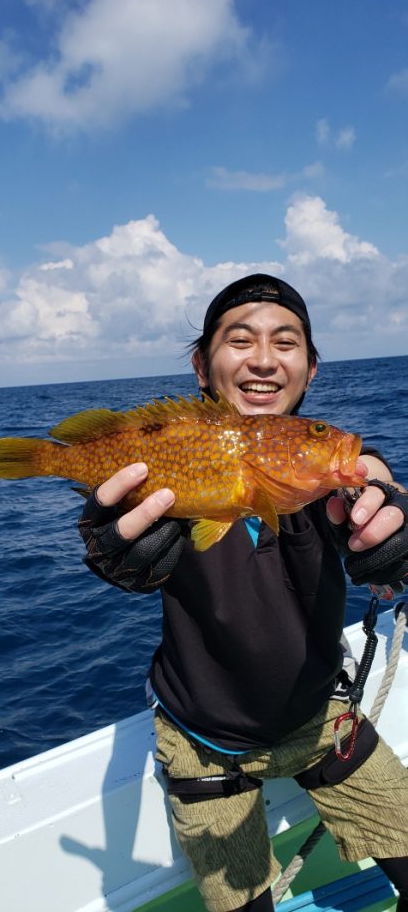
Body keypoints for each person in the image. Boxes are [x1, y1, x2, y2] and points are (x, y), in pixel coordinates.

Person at [78, 274, 408, 912]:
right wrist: (112, 552)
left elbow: (372, 482)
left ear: (310, 369)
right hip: (200, 738)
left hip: (321, 719)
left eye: (286, 342)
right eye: (239, 340)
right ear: (202, 366)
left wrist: (389, 525)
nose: (262, 358)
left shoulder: (322, 476)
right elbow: (113, 518)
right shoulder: (177, 462)